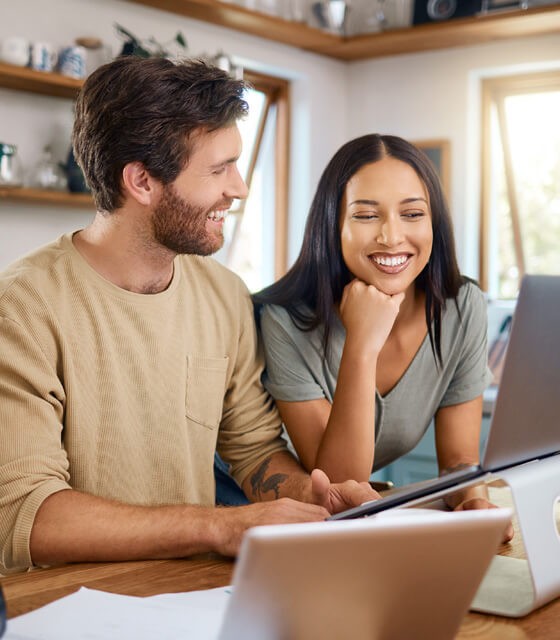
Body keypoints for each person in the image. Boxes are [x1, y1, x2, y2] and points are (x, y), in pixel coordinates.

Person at [0, 57, 376, 575]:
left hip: (194, 596)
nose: (239, 188)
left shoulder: (224, 295)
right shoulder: (22, 308)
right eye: (219, 169)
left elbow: (253, 451)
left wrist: (320, 503)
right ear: (142, 181)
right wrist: (218, 526)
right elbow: (27, 517)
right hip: (68, 610)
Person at [254, 134, 513, 534]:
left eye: (412, 214)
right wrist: (361, 345)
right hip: (263, 516)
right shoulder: (283, 320)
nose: (391, 236)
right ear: (333, 224)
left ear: (434, 224)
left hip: (343, 528)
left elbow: (459, 458)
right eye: (366, 215)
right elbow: (339, 487)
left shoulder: (461, 306)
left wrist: (472, 499)